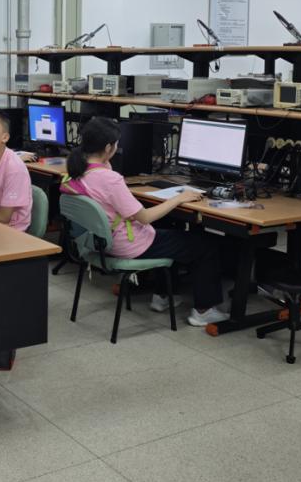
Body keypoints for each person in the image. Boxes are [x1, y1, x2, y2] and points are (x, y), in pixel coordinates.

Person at [61, 117, 229, 327]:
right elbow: (144, 217)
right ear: (109, 148)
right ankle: (204, 311)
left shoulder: (76, 171)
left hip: (97, 243)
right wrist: (179, 198)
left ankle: (163, 296)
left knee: (167, 227)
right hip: (126, 245)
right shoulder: (109, 179)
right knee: (205, 244)